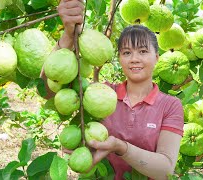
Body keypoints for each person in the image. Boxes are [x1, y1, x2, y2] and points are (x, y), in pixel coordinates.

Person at [40, 0, 184, 179]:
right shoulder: (101, 93)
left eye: (143, 51)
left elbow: (165, 169)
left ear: (156, 57)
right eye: (126, 53)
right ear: (119, 59)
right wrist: (69, 36)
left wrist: (120, 147)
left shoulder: (170, 105)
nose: (134, 59)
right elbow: (47, 91)